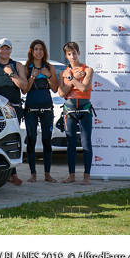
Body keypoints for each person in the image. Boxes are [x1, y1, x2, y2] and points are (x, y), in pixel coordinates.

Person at [0, 38, 27, 186]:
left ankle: (13, 173)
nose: (4, 51)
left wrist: (11, 74)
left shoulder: (17, 65)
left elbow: (24, 87)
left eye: (7, 48)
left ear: (11, 50)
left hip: (14, 109)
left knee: (11, 141)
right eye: (2, 48)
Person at [58, 41, 94, 185]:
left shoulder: (88, 70)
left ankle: (86, 177)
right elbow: (61, 93)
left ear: (78, 53)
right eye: (69, 54)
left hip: (85, 109)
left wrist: (72, 80)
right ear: (66, 56)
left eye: (74, 53)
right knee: (71, 144)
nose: (72, 56)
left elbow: (84, 88)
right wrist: (73, 80)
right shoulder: (63, 73)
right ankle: (71, 175)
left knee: (86, 143)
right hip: (70, 110)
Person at [22, 39, 58, 183]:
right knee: (31, 139)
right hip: (31, 108)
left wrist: (47, 75)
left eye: (41, 49)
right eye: (36, 49)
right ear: (32, 51)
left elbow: (55, 88)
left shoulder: (50, 67)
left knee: (46, 140)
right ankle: (33, 174)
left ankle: (48, 174)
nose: (39, 52)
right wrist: (32, 76)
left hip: (47, 108)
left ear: (44, 52)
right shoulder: (26, 67)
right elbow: (24, 90)